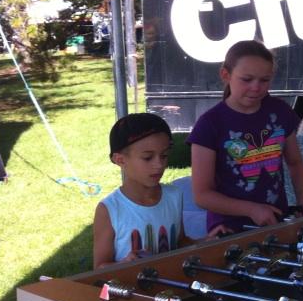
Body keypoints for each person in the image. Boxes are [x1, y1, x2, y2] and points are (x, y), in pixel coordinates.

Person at [189, 40, 303, 232]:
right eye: (247, 79)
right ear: (225, 75)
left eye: (264, 80)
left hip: (274, 222)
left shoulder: (280, 111)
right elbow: (202, 195)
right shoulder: (210, 124)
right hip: (228, 230)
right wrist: (252, 210)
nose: (256, 87)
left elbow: (295, 162)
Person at [94, 113, 224, 268]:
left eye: (164, 156)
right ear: (120, 160)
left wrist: (205, 241)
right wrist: (125, 264)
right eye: (148, 158)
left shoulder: (174, 196)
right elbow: (100, 266)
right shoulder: (109, 209)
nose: (159, 164)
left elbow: (180, 242)